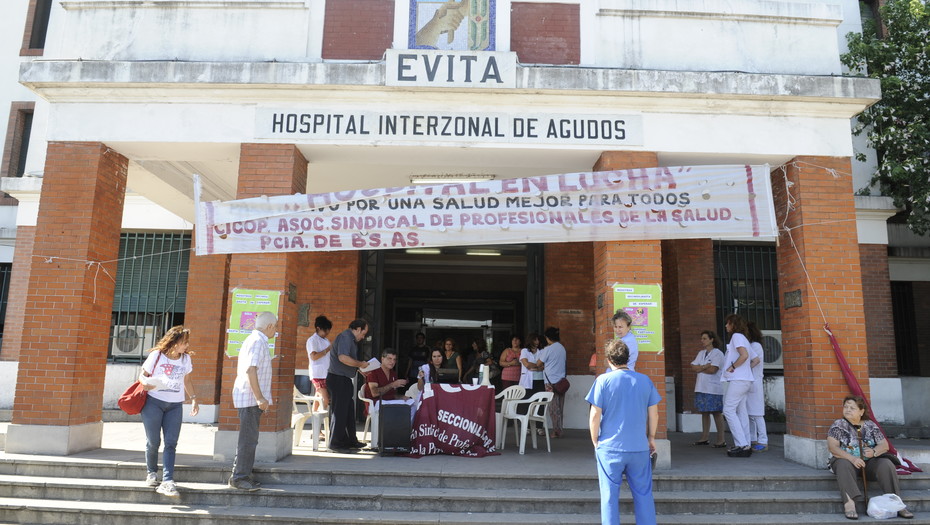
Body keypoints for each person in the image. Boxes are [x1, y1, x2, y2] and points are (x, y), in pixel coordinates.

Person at [586, 338, 661, 525]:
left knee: (609, 497)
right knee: (644, 495)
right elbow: (654, 414)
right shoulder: (645, 380)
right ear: (627, 357)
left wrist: (595, 440)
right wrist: (651, 437)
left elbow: (595, 415)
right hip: (639, 447)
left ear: (609, 360)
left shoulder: (602, 380)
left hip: (610, 448)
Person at [827, 395, 915, 520]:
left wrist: (873, 452)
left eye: (852, 408)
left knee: (886, 464)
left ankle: (897, 504)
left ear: (861, 411)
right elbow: (833, 447)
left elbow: (884, 445)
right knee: (843, 464)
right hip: (846, 462)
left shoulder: (870, 425)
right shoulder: (838, 425)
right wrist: (852, 459)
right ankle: (850, 504)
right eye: (845, 407)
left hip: (868, 463)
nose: (847, 410)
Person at [139, 325, 199, 498]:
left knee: (171, 442)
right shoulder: (156, 355)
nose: (186, 346)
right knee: (153, 441)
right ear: (174, 342)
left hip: (175, 405)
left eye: (187, 343)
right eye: (183, 342)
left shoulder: (185, 359)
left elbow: (187, 380)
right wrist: (145, 383)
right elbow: (142, 375)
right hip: (153, 402)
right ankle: (151, 472)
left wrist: (194, 398)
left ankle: (167, 480)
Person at [229, 311, 276, 491]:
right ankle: (240, 478)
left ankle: (242, 475)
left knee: (249, 439)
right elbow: (251, 370)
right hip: (250, 399)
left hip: (250, 399)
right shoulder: (257, 342)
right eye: (276, 327)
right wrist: (259, 398)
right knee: (248, 440)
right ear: (270, 326)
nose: (276, 331)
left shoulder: (256, 340)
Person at [327, 318, 370, 452]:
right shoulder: (346, 337)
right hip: (338, 379)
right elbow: (343, 358)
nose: (363, 337)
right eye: (363, 333)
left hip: (344, 378)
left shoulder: (350, 339)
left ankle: (350, 440)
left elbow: (346, 360)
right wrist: (360, 364)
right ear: (357, 329)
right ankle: (335, 443)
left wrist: (358, 369)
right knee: (339, 412)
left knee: (348, 410)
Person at [721, 313, 754, 457]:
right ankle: (746, 443)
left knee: (728, 409)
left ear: (733, 325)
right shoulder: (744, 338)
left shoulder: (736, 337)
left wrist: (732, 367)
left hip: (739, 380)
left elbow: (744, 355)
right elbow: (755, 359)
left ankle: (741, 444)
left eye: (728, 323)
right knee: (741, 411)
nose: (726, 326)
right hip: (745, 379)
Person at [689, 330, 726, 448]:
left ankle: (721, 440)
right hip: (701, 387)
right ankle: (704, 437)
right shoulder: (701, 353)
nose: (702, 341)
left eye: (705, 338)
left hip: (713, 388)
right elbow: (693, 367)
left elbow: (713, 370)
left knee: (716, 412)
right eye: (702, 338)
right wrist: (705, 366)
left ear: (712, 339)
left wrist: (700, 368)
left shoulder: (718, 354)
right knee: (704, 412)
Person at [539, 326, 567, 438]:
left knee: (553, 409)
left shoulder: (548, 349)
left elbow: (538, 363)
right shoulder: (562, 348)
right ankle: (560, 429)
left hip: (551, 383)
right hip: (561, 382)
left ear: (547, 337)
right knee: (560, 407)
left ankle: (556, 432)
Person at [746, 321, 768, 452]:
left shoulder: (756, 345)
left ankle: (763, 440)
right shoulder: (750, 345)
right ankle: (753, 438)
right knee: (749, 413)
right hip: (749, 382)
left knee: (757, 413)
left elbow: (752, 362)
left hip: (755, 381)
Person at [306, 315, 333, 412]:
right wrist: (328, 349)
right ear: (318, 328)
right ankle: (320, 420)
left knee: (318, 397)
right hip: (318, 374)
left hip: (325, 372)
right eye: (325, 331)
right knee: (325, 400)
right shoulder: (312, 340)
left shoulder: (325, 340)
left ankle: (315, 419)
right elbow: (314, 356)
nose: (326, 333)